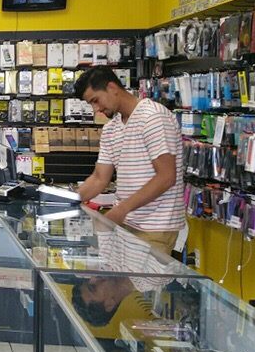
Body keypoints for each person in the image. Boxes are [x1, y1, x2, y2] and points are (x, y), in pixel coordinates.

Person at [74, 66, 184, 256]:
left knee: (139, 277)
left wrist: (122, 209)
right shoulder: (111, 129)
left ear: (112, 87)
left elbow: (166, 177)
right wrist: (68, 200)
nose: (96, 109)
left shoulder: (153, 117)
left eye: (95, 100)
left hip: (155, 227)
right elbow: (99, 178)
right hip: (125, 225)